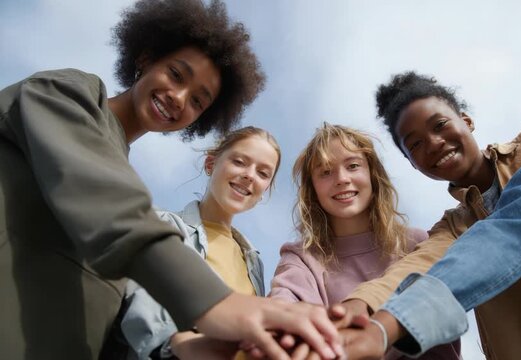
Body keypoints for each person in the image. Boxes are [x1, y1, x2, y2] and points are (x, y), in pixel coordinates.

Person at [0, 1, 341, 359]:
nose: (178, 98)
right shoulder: (63, 93)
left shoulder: (126, 181)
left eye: (198, 101)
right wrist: (216, 306)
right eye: (176, 75)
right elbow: (112, 212)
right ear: (146, 58)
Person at [340, 0, 521, 358]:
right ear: (412, 163)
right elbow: (419, 266)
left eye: (440, 126)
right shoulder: (453, 229)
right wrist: (363, 307)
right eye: (416, 144)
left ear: (466, 121)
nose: (434, 144)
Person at [269, 123, 460, 360]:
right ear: (312, 188)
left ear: (372, 174)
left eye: (353, 166)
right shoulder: (302, 258)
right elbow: (285, 303)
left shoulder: (418, 243)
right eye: (325, 172)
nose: (341, 179)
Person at [119, 126, 280, 359]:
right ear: (210, 164)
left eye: (263, 173)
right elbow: (142, 294)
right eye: (240, 162)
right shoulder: (162, 224)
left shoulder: (254, 263)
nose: (250, 175)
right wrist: (176, 344)